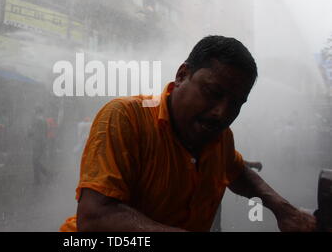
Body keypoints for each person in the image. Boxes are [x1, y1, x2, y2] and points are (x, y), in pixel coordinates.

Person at [60, 36, 317, 232]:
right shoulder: (126, 117)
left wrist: (284, 210)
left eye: (236, 103)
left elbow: (235, 170)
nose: (222, 113)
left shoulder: (220, 136)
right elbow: (94, 217)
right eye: (213, 93)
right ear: (182, 75)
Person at [211, 160, 263, 232]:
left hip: (212, 199)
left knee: (214, 227)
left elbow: (231, 159)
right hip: (204, 200)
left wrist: (251, 165)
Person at [28, 107, 51, 186]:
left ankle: (39, 179)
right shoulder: (44, 121)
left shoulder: (36, 120)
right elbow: (46, 132)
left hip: (37, 142)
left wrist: (29, 134)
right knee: (36, 160)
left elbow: (31, 131)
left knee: (35, 161)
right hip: (42, 142)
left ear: (37, 112)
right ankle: (46, 174)